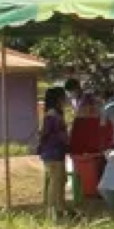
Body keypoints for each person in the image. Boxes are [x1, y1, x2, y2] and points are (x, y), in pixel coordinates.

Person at [36, 88, 70, 219]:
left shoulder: (55, 114)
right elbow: (45, 133)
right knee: (55, 181)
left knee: (61, 180)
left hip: (57, 151)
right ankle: (52, 210)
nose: (65, 100)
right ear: (58, 99)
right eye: (63, 97)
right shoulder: (52, 115)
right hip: (52, 152)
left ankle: (60, 207)